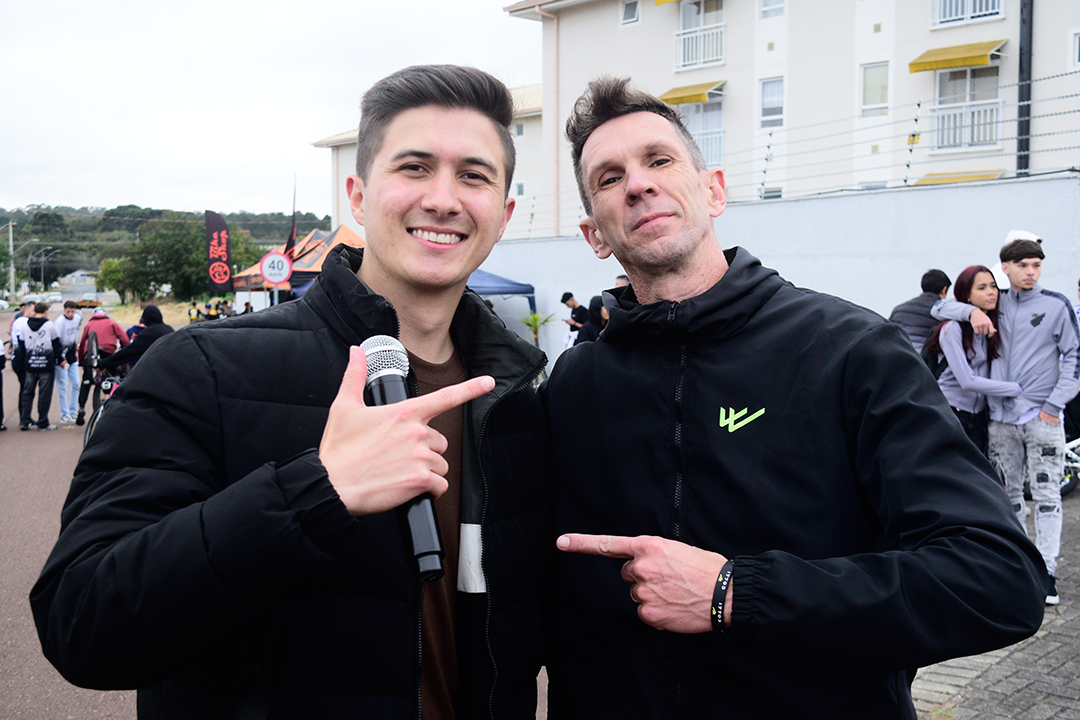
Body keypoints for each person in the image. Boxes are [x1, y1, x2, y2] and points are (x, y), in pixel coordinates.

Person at [31, 64, 548, 720]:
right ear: (357, 196)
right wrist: (316, 493)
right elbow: (82, 623)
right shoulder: (202, 369)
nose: (444, 199)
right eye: (415, 167)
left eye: (473, 176)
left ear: (503, 214)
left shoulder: (518, 404)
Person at [539, 77, 1046, 719]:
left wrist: (735, 592)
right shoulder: (574, 385)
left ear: (714, 190)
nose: (638, 184)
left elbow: (998, 580)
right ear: (595, 236)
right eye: (610, 178)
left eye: (659, 160)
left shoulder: (851, 350)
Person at [933, 236, 1079, 606]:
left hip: (1042, 418)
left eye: (1036, 265)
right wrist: (971, 313)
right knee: (1007, 496)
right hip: (999, 420)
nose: (1030, 272)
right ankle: (1018, 569)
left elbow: (1074, 357)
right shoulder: (995, 304)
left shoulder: (1056, 305)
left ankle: (1047, 573)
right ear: (1006, 268)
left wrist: (1053, 405)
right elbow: (939, 308)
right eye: (1022, 265)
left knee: (1047, 496)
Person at [922, 265, 1020, 456]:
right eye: (982, 288)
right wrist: (1016, 389)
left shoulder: (992, 325)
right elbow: (967, 381)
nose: (991, 292)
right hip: (952, 413)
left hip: (979, 417)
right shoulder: (953, 328)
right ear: (967, 295)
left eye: (993, 286)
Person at [75, 308, 129, 425]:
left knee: (86, 381)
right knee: (113, 376)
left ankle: (81, 407)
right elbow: (124, 339)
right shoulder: (112, 323)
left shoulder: (89, 324)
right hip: (108, 353)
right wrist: (124, 354)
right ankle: (112, 401)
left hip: (91, 355)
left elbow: (83, 342)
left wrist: (81, 360)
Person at [16, 302, 64, 430]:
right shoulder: (49, 325)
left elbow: (21, 345)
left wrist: (23, 362)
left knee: (27, 393)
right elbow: (56, 343)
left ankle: (24, 420)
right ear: (46, 312)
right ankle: (42, 422)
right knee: (44, 395)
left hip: (30, 364)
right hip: (46, 365)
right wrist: (60, 359)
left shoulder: (25, 325)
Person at [888, 268, 951, 352]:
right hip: (921, 357)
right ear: (944, 290)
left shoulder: (898, 309)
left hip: (896, 352)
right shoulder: (943, 312)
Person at [98, 304, 174, 371]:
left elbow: (129, 352)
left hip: (160, 372)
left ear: (145, 320)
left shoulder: (149, 333)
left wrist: (104, 363)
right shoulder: (169, 330)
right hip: (173, 368)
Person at [53, 301, 83, 424]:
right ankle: (64, 413)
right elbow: (56, 341)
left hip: (71, 355)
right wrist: (61, 359)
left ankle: (73, 410)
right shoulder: (60, 322)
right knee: (63, 386)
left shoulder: (77, 319)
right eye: (68, 311)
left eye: (72, 311)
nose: (70, 314)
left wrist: (76, 345)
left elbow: (75, 333)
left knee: (76, 383)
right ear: (64, 310)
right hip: (61, 356)